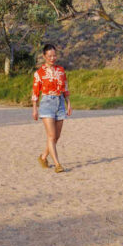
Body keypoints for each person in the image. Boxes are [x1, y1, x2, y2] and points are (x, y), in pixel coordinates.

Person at [32, 42, 72, 172]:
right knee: (51, 135)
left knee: (56, 137)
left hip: (60, 102)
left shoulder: (61, 70)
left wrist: (69, 104)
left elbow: (65, 87)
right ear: (44, 56)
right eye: (49, 56)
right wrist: (35, 108)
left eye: (54, 55)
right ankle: (57, 164)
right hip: (47, 103)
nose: (52, 58)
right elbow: (35, 91)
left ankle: (43, 157)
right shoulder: (39, 73)